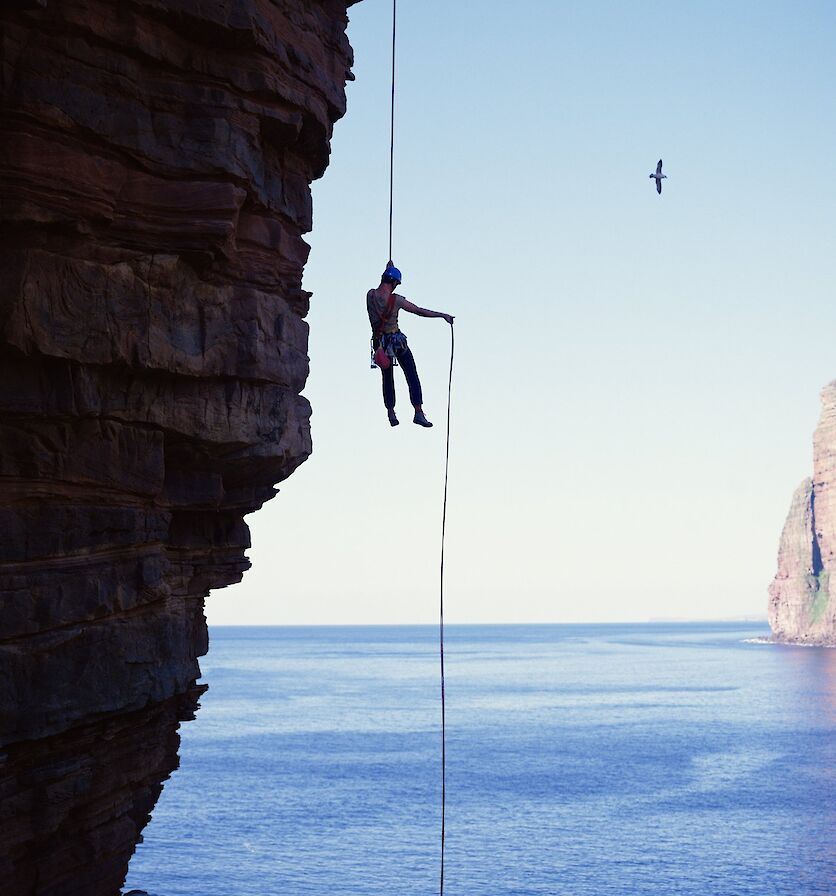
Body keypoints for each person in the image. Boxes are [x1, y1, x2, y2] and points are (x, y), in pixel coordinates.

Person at [367, 262, 454, 427]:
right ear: (394, 283)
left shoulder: (370, 295)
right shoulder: (396, 300)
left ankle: (391, 412)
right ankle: (418, 411)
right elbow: (419, 311)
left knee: (387, 378)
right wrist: (442, 315)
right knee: (411, 374)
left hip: (380, 344)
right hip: (396, 341)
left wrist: (388, 269)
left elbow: (381, 287)